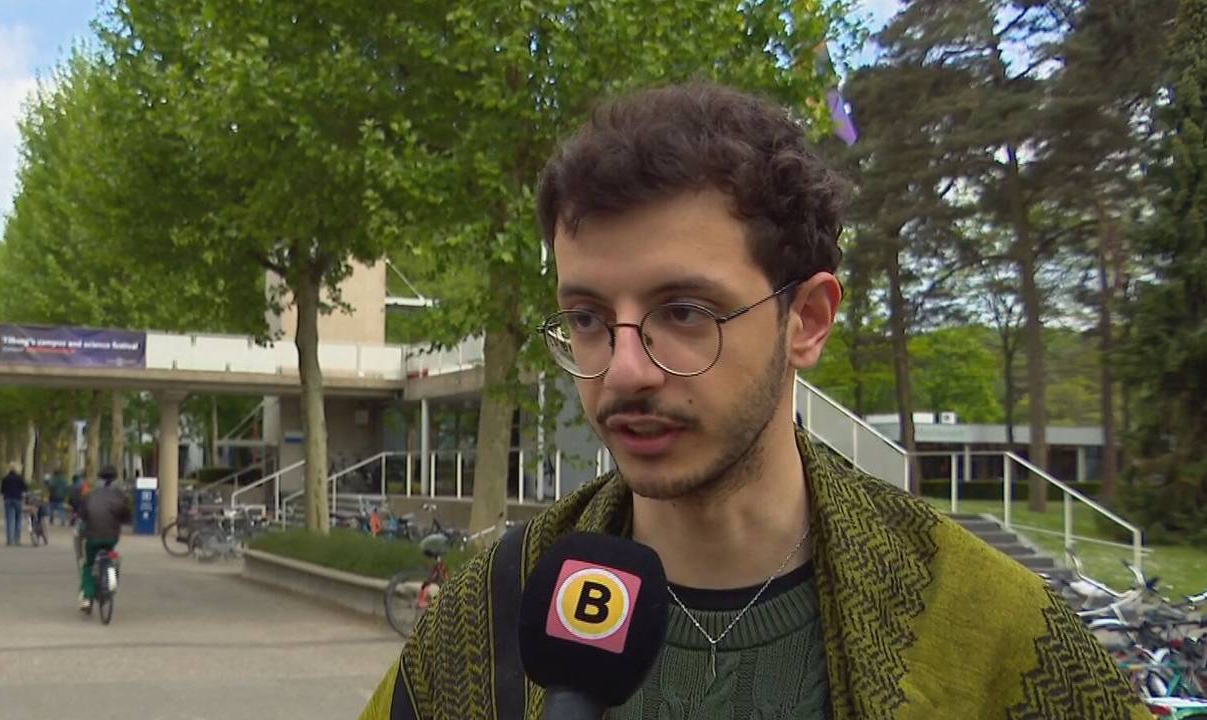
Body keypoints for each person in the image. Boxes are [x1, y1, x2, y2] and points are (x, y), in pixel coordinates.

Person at [359, 82, 1145, 720]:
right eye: (589, 319)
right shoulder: (494, 611)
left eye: (685, 313)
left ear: (806, 320)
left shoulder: (983, 626)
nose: (624, 370)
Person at [76, 465, 131, 611]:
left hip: (92, 535)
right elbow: (126, 515)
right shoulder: (120, 495)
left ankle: (87, 597)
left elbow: (82, 514)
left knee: (88, 565)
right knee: (109, 552)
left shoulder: (90, 494)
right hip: (111, 536)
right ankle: (110, 574)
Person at [0, 462, 28, 546]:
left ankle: (9, 540)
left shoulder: (5, 478)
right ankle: (17, 539)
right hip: (18, 499)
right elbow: (25, 488)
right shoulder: (20, 478)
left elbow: (2, 490)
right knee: (18, 520)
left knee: (9, 520)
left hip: (8, 499)